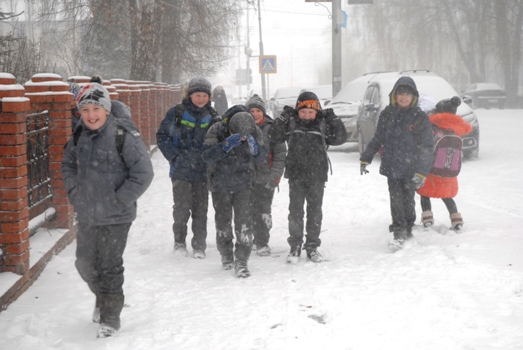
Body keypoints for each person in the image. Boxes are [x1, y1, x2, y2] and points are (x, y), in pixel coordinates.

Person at [61, 83, 154, 338]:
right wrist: (75, 195)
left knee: (110, 266)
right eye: (86, 109)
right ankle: (103, 298)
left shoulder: (123, 134)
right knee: (85, 264)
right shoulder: (79, 134)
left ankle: (110, 318)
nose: (91, 115)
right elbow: (67, 165)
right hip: (88, 214)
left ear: (107, 109)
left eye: (96, 109)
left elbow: (143, 174)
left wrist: (117, 201)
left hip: (116, 216)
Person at [269, 91, 347, 263]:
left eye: (310, 112)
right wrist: (283, 117)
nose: (306, 115)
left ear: (317, 111)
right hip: (296, 174)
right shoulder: (291, 123)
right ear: (297, 111)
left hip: (317, 175)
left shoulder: (322, 124)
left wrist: (333, 118)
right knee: (295, 212)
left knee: (314, 211)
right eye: (303, 111)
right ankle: (295, 246)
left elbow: (341, 138)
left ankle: (312, 246)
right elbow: (274, 136)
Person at [359, 76, 434, 250]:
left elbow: (427, 146)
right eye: (400, 93)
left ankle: (408, 228)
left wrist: (422, 171)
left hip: (411, 167)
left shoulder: (419, 117)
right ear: (394, 95)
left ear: (413, 97)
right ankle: (399, 231)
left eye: (408, 94)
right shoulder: (387, 114)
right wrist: (366, 157)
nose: (404, 97)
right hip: (392, 166)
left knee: (408, 200)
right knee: (396, 199)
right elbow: (378, 138)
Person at [202, 108, 268, 277]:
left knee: (244, 223)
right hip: (220, 184)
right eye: (240, 135)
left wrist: (256, 150)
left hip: (244, 184)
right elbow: (207, 156)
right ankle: (226, 255)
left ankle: (242, 259)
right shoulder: (216, 129)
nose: (243, 138)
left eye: (246, 135)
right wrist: (224, 146)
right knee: (223, 222)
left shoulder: (255, 130)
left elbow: (262, 158)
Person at [156, 77, 217, 258]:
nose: (201, 99)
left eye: (204, 95)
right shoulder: (177, 113)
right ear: (189, 95)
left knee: (201, 210)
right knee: (181, 209)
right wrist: (174, 156)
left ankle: (199, 245)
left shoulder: (213, 116)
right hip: (181, 170)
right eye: (197, 95)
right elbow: (162, 136)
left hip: (203, 171)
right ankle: (179, 242)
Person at [417, 96, 471, 231]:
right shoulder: (459, 127)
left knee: (425, 193)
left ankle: (427, 218)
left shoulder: (433, 124)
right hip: (449, 169)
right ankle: (456, 220)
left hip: (432, 167)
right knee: (447, 195)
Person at [245, 94, 286, 256]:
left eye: (258, 111)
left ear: (263, 112)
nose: (255, 114)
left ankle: (262, 241)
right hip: (246, 178)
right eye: (251, 111)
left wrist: (274, 176)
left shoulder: (272, 128)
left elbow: (280, 155)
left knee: (263, 210)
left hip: (266, 178)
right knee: (247, 211)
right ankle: (249, 239)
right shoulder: (243, 127)